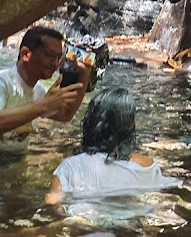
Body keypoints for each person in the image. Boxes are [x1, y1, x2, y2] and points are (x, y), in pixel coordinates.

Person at [0, 25, 89, 154]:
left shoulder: (38, 90)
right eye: (50, 55)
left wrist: (85, 75)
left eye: (58, 57)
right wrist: (43, 106)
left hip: (11, 159)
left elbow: (65, 115)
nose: (55, 64)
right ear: (26, 54)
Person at [45, 86, 173, 204]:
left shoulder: (70, 168)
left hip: (84, 218)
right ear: (130, 127)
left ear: (90, 122)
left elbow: (53, 203)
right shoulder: (148, 167)